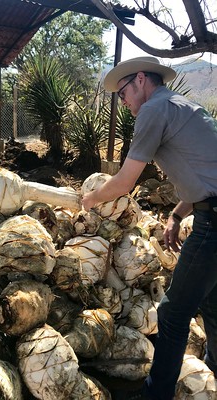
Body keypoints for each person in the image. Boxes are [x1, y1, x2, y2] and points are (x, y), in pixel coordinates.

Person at [82, 56, 217, 400]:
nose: (123, 102)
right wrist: (176, 213)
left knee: (172, 315)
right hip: (209, 209)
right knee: (213, 304)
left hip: (214, 221)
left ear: (141, 80)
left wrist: (90, 199)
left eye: (124, 92)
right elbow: (206, 172)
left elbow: (126, 181)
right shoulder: (183, 106)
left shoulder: (153, 111)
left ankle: (154, 396)